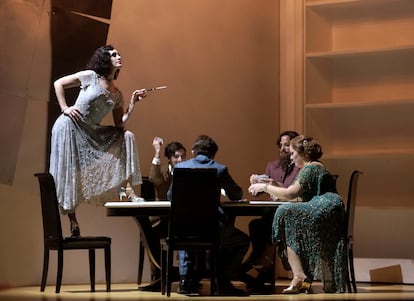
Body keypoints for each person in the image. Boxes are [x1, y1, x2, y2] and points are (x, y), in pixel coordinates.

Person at [49, 45, 146, 237]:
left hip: (90, 131)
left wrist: (133, 103)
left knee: (126, 136)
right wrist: (64, 107)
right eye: (113, 55)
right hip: (69, 126)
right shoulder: (90, 76)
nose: (119, 56)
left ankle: (127, 190)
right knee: (70, 170)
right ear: (104, 59)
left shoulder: (117, 94)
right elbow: (58, 83)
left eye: (118, 53)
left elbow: (120, 124)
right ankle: (73, 221)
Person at [248, 135, 347, 294]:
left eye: (293, 153)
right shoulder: (314, 166)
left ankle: (298, 275)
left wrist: (264, 188)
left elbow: (290, 193)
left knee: (285, 212)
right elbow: (298, 196)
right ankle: (300, 275)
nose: (291, 158)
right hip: (329, 208)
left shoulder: (310, 168)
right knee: (289, 215)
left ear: (303, 154)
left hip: (325, 208)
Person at [170, 135, 250, 296]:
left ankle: (185, 280)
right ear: (213, 154)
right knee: (242, 241)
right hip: (212, 228)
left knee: (187, 233)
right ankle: (223, 279)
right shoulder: (220, 169)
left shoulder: (180, 168)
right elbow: (236, 194)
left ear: (194, 152)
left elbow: (171, 195)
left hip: (184, 227)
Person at [244, 131, 300, 289]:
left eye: (287, 145)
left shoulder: (300, 166)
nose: (282, 148)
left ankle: (259, 264)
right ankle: (263, 266)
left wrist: (274, 185)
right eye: (281, 145)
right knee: (256, 225)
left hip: (292, 212)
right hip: (273, 212)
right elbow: (260, 191)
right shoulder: (272, 165)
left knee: (267, 222)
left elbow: (294, 191)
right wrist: (255, 181)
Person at [138, 137, 186, 292]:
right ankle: (159, 276)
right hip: (161, 219)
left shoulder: (188, 171)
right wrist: (157, 152)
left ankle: (186, 275)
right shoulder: (164, 172)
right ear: (170, 158)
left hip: (180, 220)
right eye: (176, 156)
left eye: (183, 156)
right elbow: (153, 178)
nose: (180, 160)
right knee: (151, 234)